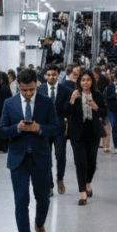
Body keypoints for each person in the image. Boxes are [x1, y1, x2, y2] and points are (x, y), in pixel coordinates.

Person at [0, 68, 60, 232]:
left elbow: (57, 127)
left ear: (37, 85)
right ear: (18, 85)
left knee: (43, 199)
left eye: (32, 89)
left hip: (40, 157)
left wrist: (39, 128)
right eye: (24, 90)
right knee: (21, 201)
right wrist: (16, 128)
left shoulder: (46, 102)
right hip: (18, 160)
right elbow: (1, 129)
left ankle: (39, 224)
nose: (28, 93)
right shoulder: (9, 103)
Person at [67, 69, 107, 205]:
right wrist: (72, 100)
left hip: (93, 131)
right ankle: (83, 193)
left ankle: (88, 181)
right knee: (80, 163)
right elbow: (65, 112)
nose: (85, 82)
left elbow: (104, 112)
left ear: (92, 81)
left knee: (91, 162)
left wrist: (96, 107)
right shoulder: (75, 94)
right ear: (79, 82)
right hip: (77, 133)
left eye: (88, 80)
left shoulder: (98, 95)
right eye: (83, 80)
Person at [39, 65, 72, 194]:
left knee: (60, 156)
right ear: (45, 76)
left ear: (58, 75)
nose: (51, 77)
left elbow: (68, 109)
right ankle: (50, 184)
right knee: (46, 157)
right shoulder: (40, 90)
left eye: (54, 74)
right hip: (45, 129)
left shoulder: (65, 90)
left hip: (59, 128)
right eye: (49, 74)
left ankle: (60, 179)